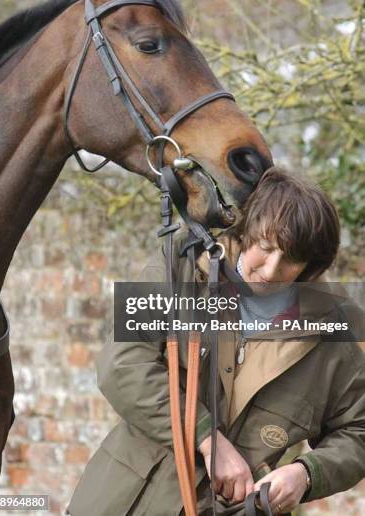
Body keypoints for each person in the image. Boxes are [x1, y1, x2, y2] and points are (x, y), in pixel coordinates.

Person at [66, 167, 365, 516]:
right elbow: (121, 363)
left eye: (291, 260)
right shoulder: (180, 259)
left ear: (311, 265)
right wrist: (208, 440)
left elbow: (358, 431)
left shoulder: (337, 329)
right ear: (247, 229)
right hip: (117, 503)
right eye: (265, 247)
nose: (270, 271)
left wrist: (305, 474)